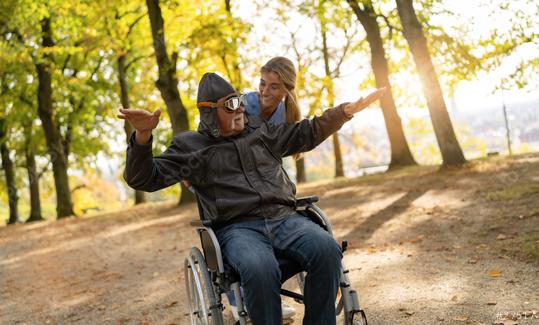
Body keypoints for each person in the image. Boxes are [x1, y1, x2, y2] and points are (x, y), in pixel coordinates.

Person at [119, 72, 385, 325]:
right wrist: (143, 138)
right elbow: (144, 179)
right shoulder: (191, 147)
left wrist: (343, 113)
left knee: (327, 250)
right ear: (210, 111)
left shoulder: (261, 132)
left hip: (284, 218)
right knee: (259, 268)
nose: (241, 109)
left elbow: (306, 132)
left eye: (241, 101)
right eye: (231, 104)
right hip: (237, 228)